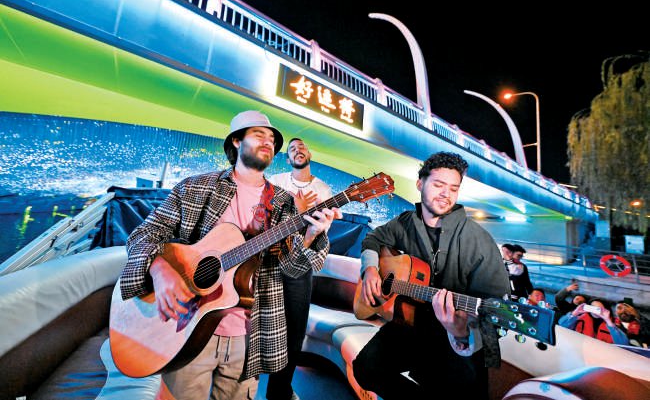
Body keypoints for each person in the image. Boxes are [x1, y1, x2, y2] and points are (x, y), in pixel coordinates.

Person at [119, 110, 340, 400]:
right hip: (184, 327)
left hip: (248, 335)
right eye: (259, 135)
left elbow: (294, 268)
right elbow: (143, 234)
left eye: (272, 139)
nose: (269, 142)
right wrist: (161, 271)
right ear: (236, 141)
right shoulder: (196, 187)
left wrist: (311, 236)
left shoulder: (284, 203)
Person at [351, 151, 510, 400]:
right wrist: (370, 269)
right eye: (438, 185)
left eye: (454, 188)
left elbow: (497, 311)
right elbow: (373, 238)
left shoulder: (479, 240)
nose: (446, 194)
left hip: (453, 341)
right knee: (365, 368)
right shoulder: (405, 222)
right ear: (420, 184)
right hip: (410, 323)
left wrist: (461, 332)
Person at [266, 137, 335, 400]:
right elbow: (266, 219)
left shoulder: (323, 189)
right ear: (287, 159)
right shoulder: (276, 181)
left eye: (302, 146)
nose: (298, 150)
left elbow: (319, 233)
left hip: (301, 263)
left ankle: (279, 391)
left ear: (310, 154)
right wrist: (296, 211)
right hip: (269, 261)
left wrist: (315, 227)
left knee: (294, 333)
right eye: (292, 149)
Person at [558, 299, 629, 345]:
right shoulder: (579, 318)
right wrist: (574, 313)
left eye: (599, 309)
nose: (595, 311)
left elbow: (624, 343)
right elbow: (562, 326)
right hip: (581, 350)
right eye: (593, 307)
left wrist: (608, 321)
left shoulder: (612, 323)